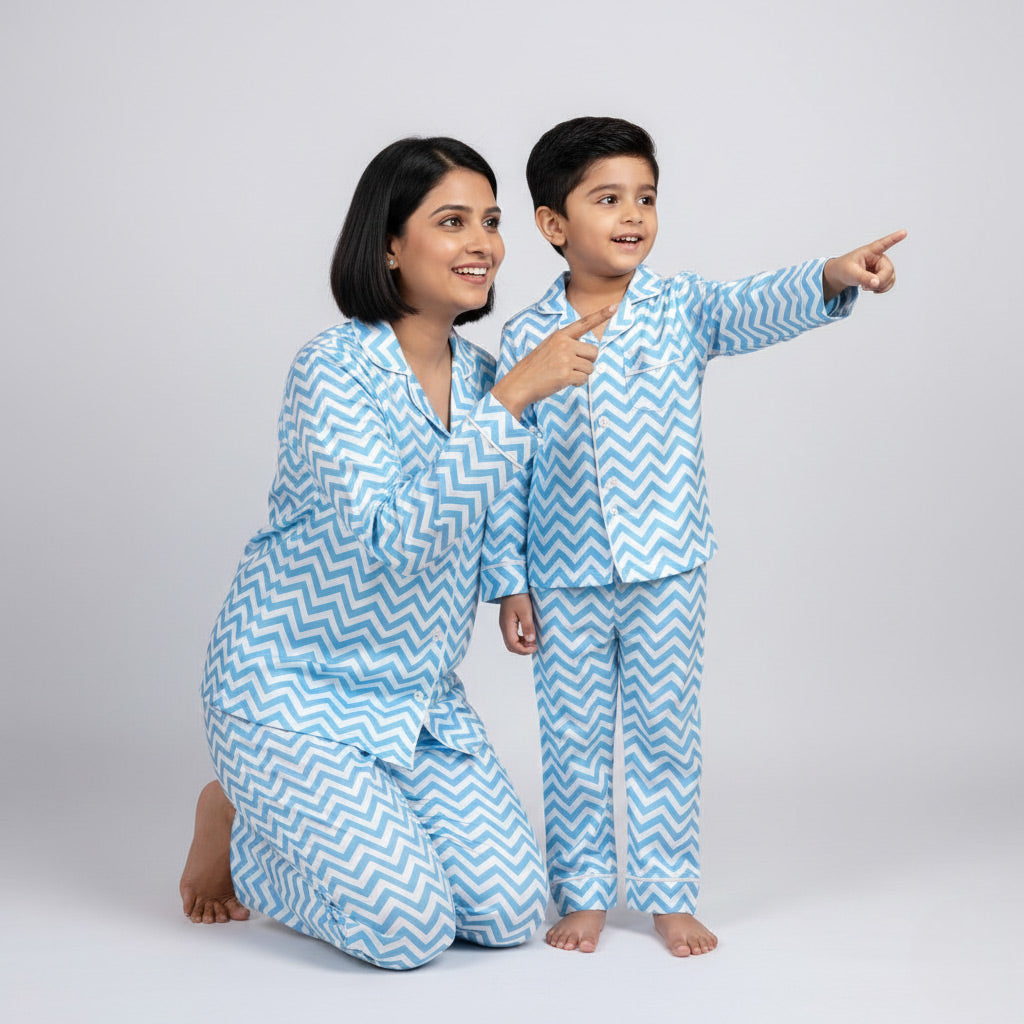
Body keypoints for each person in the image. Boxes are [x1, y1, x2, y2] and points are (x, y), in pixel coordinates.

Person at [178, 136, 616, 970]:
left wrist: (511, 585)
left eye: (490, 222)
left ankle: (336, 822)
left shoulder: (483, 371)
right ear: (388, 243)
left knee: (509, 910)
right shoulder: (331, 370)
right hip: (289, 690)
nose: (483, 243)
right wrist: (518, 395)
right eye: (452, 222)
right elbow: (390, 538)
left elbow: (494, 509)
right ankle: (239, 825)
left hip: (413, 699)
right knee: (407, 932)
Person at [481, 116, 904, 957]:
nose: (633, 214)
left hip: (669, 564)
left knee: (665, 729)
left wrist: (830, 272)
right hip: (562, 573)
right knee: (572, 742)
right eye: (608, 199)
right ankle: (586, 894)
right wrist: (509, 582)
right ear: (553, 225)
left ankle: (669, 893)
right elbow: (505, 469)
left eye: (645, 197)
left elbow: (755, 304)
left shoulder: (683, 307)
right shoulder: (525, 338)